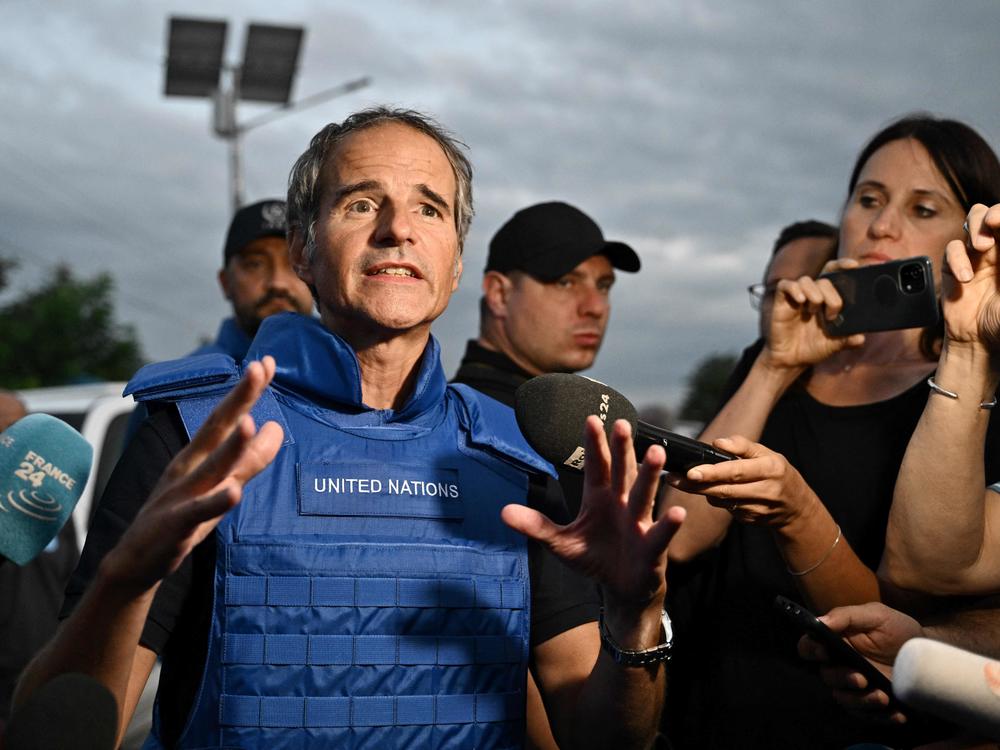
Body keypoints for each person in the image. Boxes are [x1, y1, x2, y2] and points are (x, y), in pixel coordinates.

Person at [17, 107, 685, 750]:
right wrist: (122, 583)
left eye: (430, 208)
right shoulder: (199, 432)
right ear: (304, 252)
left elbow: (606, 736)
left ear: (455, 265)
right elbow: (60, 727)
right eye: (361, 203)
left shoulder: (512, 453)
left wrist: (633, 616)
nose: (398, 228)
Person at [661, 115, 1000, 750]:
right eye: (868, 199)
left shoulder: (976, 392)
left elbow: (918, 595)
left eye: (922, 208)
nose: (881, 225)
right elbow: (679, 533)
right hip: (719, 708)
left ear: (970, 235)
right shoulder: (780, 357)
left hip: (860, 721)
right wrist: (775, 365)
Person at [0, 391, 79, 728]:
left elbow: (72, 579)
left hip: (47, 675)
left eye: (15, 430)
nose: (9, 443)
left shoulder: (52, 498)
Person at [196, 198, 315, 358]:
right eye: (255, 264)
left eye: (296, 264)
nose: (278, 283)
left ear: (317, 276)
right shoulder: (191, 380)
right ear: (225, 283)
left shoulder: (351, 373)